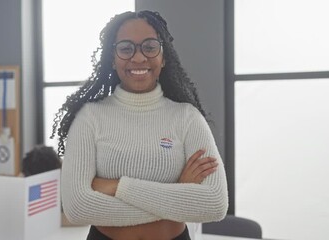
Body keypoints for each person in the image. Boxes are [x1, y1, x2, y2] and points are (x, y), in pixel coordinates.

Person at [51, 10, 228, 240]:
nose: (138, 58)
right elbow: (77, 208)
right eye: (126, 48)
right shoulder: (90, 117)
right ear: (112, 59)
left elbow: (214, 204)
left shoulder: (187, 118)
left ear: (163, 57)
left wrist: (118, 187)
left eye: (150, 46)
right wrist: (177, 194)